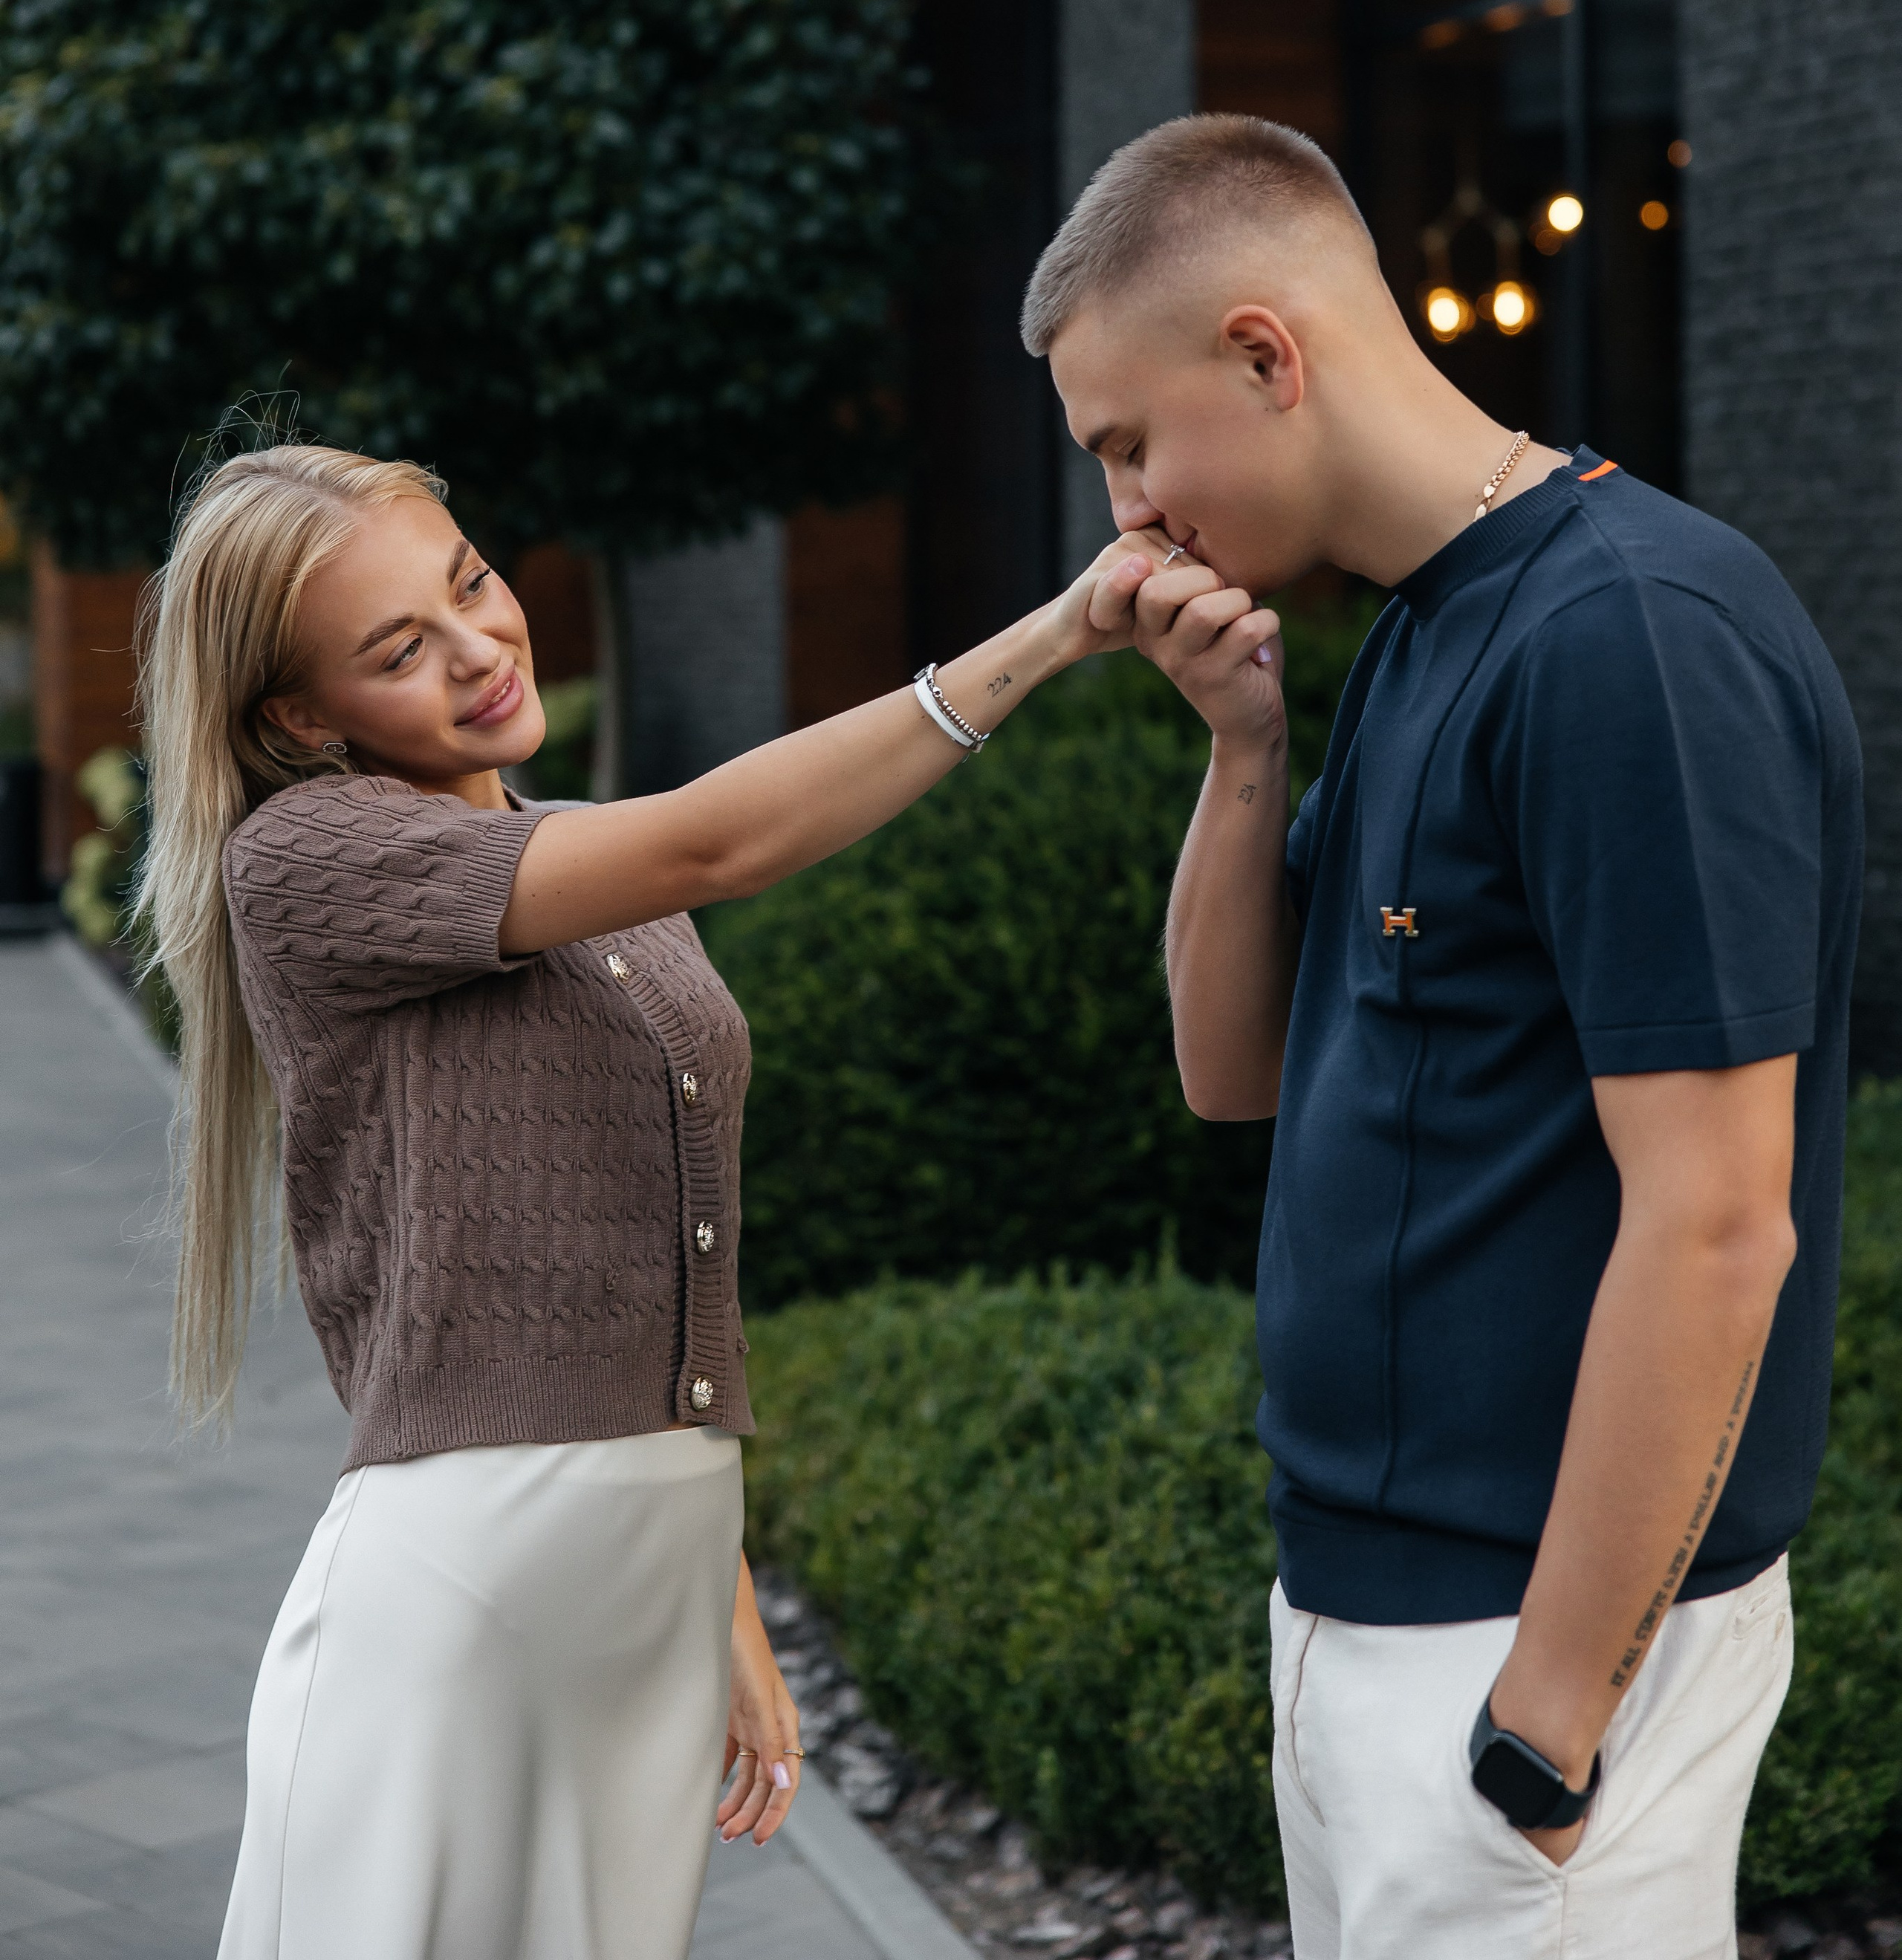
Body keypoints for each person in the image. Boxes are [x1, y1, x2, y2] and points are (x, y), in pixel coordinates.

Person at [1021, 114, 1862, 1960]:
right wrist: (1242, 751)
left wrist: (1543, 1729)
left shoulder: (1625, 635)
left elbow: (1718, 1222)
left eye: (1127, 444)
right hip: (1363, 1626)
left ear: (1264, 353)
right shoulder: (1425, 630)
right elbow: (1229, 1071)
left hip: (1521, 1671)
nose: (1128, 514)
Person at [137, 441, 1156, 1960]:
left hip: (647, 1570)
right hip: (469, 1574)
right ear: (299, 716)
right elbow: (721, 837)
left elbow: (632, 1265)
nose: (479, 648)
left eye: (470, 583)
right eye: (398, 650)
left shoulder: (571, 861)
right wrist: (1061, 629)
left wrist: (722, 1595)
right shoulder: (307, 860)